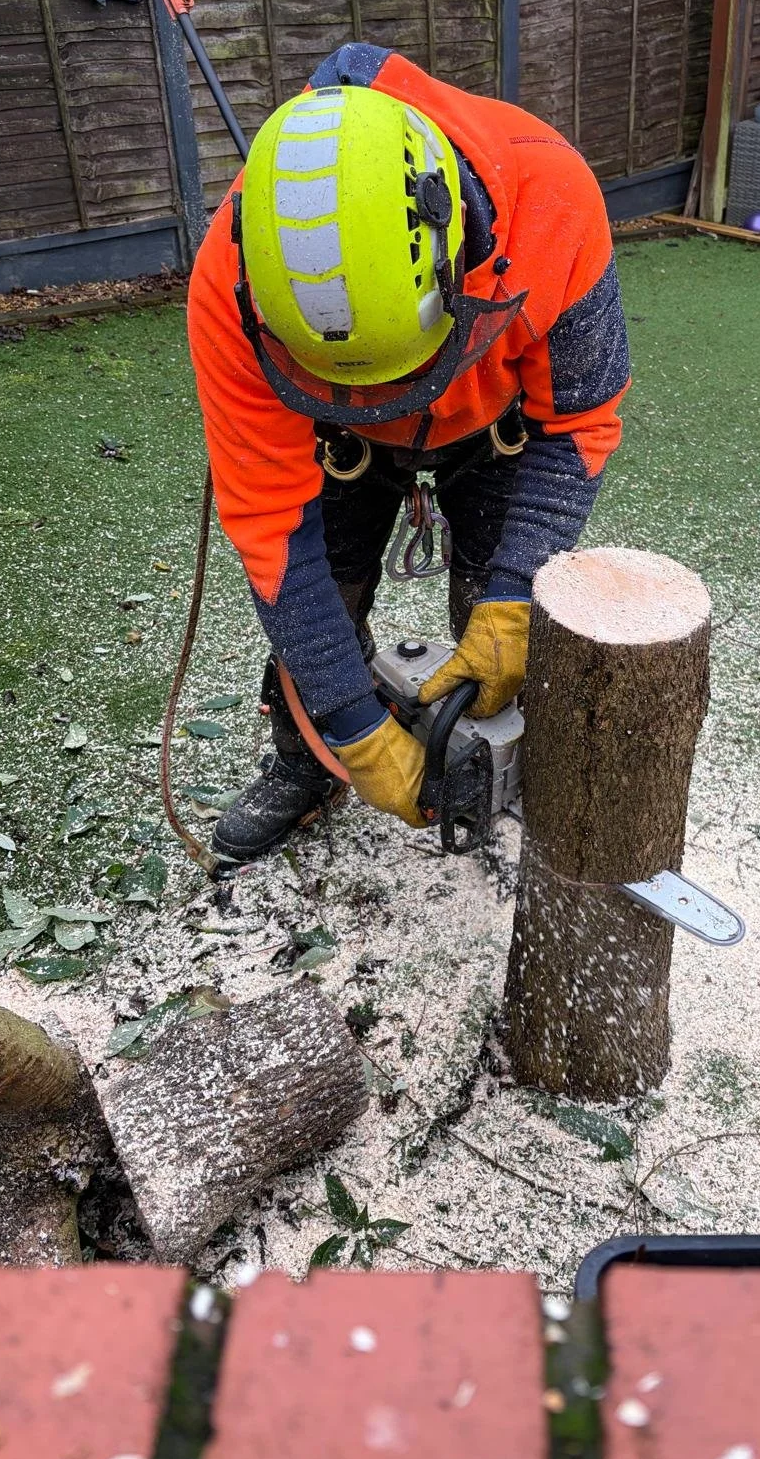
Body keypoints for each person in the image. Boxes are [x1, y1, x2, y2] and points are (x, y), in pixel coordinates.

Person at [187, 42, 629, 861]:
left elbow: (580, 422)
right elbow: (271, 531)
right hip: (335, 444)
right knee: (329, 593)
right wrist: (353, 728)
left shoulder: (552, 195)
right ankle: (304, 762)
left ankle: (498, 767)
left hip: (497, 428)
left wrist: (514, 597)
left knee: (495, 615)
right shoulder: (229, 278)